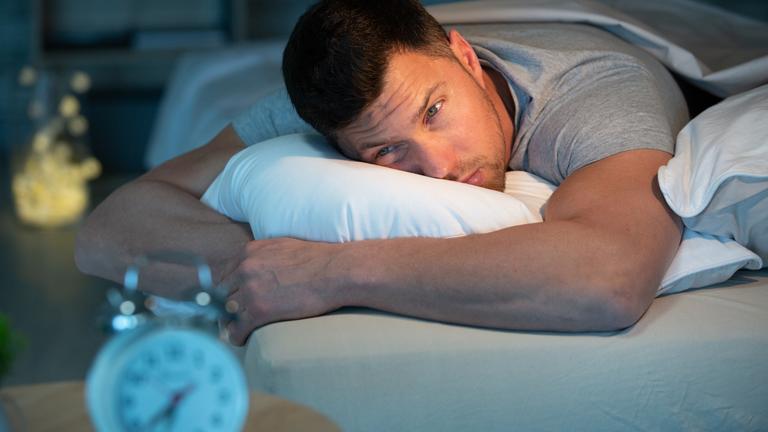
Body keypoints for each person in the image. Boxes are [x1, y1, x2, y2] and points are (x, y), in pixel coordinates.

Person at [75, 0, 689, 346]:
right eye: (384, 153)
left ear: (465, 58)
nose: (439, 168)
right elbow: (105, 232)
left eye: (435, 111)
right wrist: (263, 267)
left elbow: (608, 279)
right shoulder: (329, 107)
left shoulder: (593, 101)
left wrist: (331, 271)